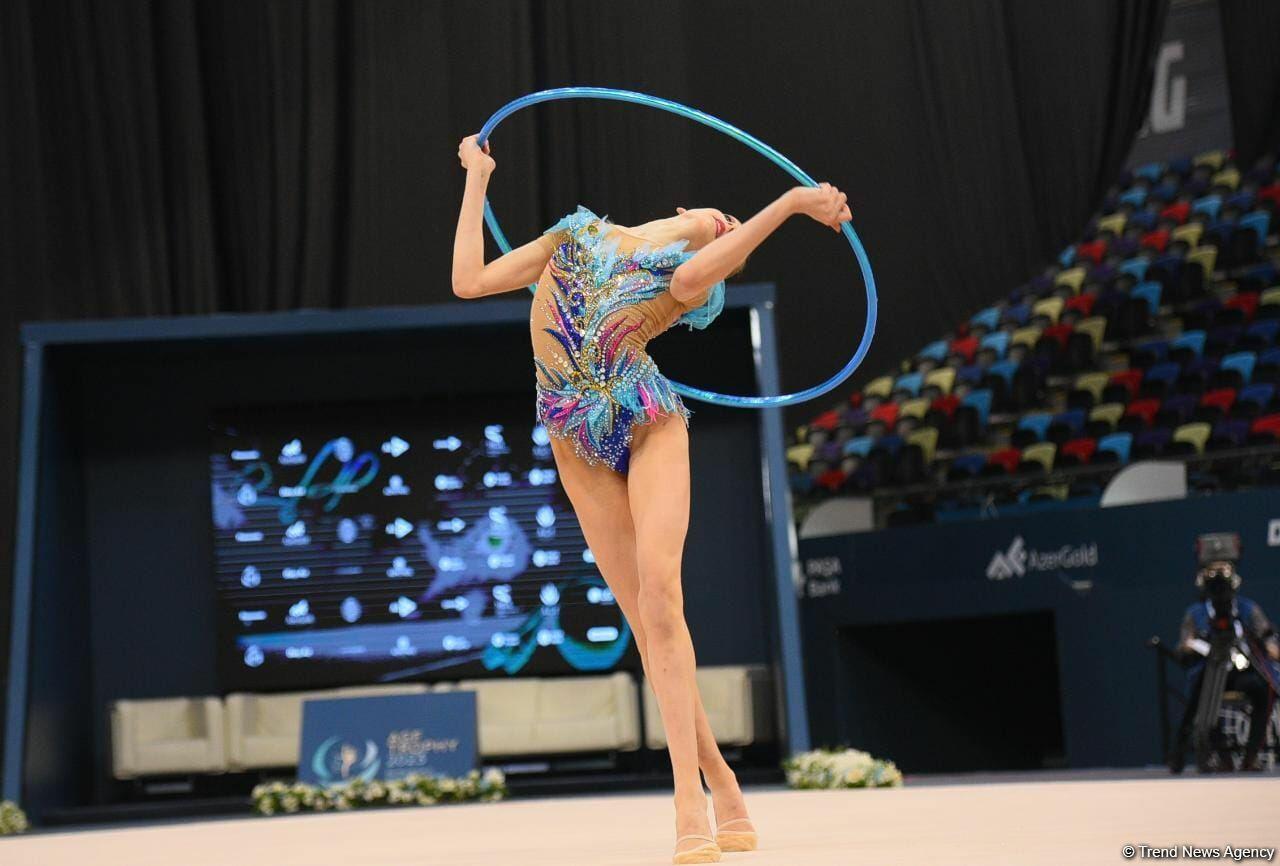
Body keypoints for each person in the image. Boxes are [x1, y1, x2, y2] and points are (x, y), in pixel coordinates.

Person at [451, 134, 850, 863]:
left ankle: (687, 800)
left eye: (728, 239)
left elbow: (704, 264)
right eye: (721, 217)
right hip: (573, 434)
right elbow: (469, 281)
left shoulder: (679, 279)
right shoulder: (574, 234)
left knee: (662, 599)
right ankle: (723, 781)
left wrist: (792, 203)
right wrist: (478, 176)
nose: (722, 225)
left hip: (644, 418)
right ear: (685, 207)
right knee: (644, 620)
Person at [1168, 533, 1280, 773]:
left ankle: (1251, 756)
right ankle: (1215, 754)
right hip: (1207, 669)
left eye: (1224, 571)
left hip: (1239, 669)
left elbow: (1268, 637)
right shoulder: (1196, 613)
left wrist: (1270, 647)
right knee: (1201, 695)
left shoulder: (1247, 608)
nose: (1218, 578)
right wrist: (1191, 645)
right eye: (1213, 571)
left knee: (1262, 689)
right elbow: (1182, 645)